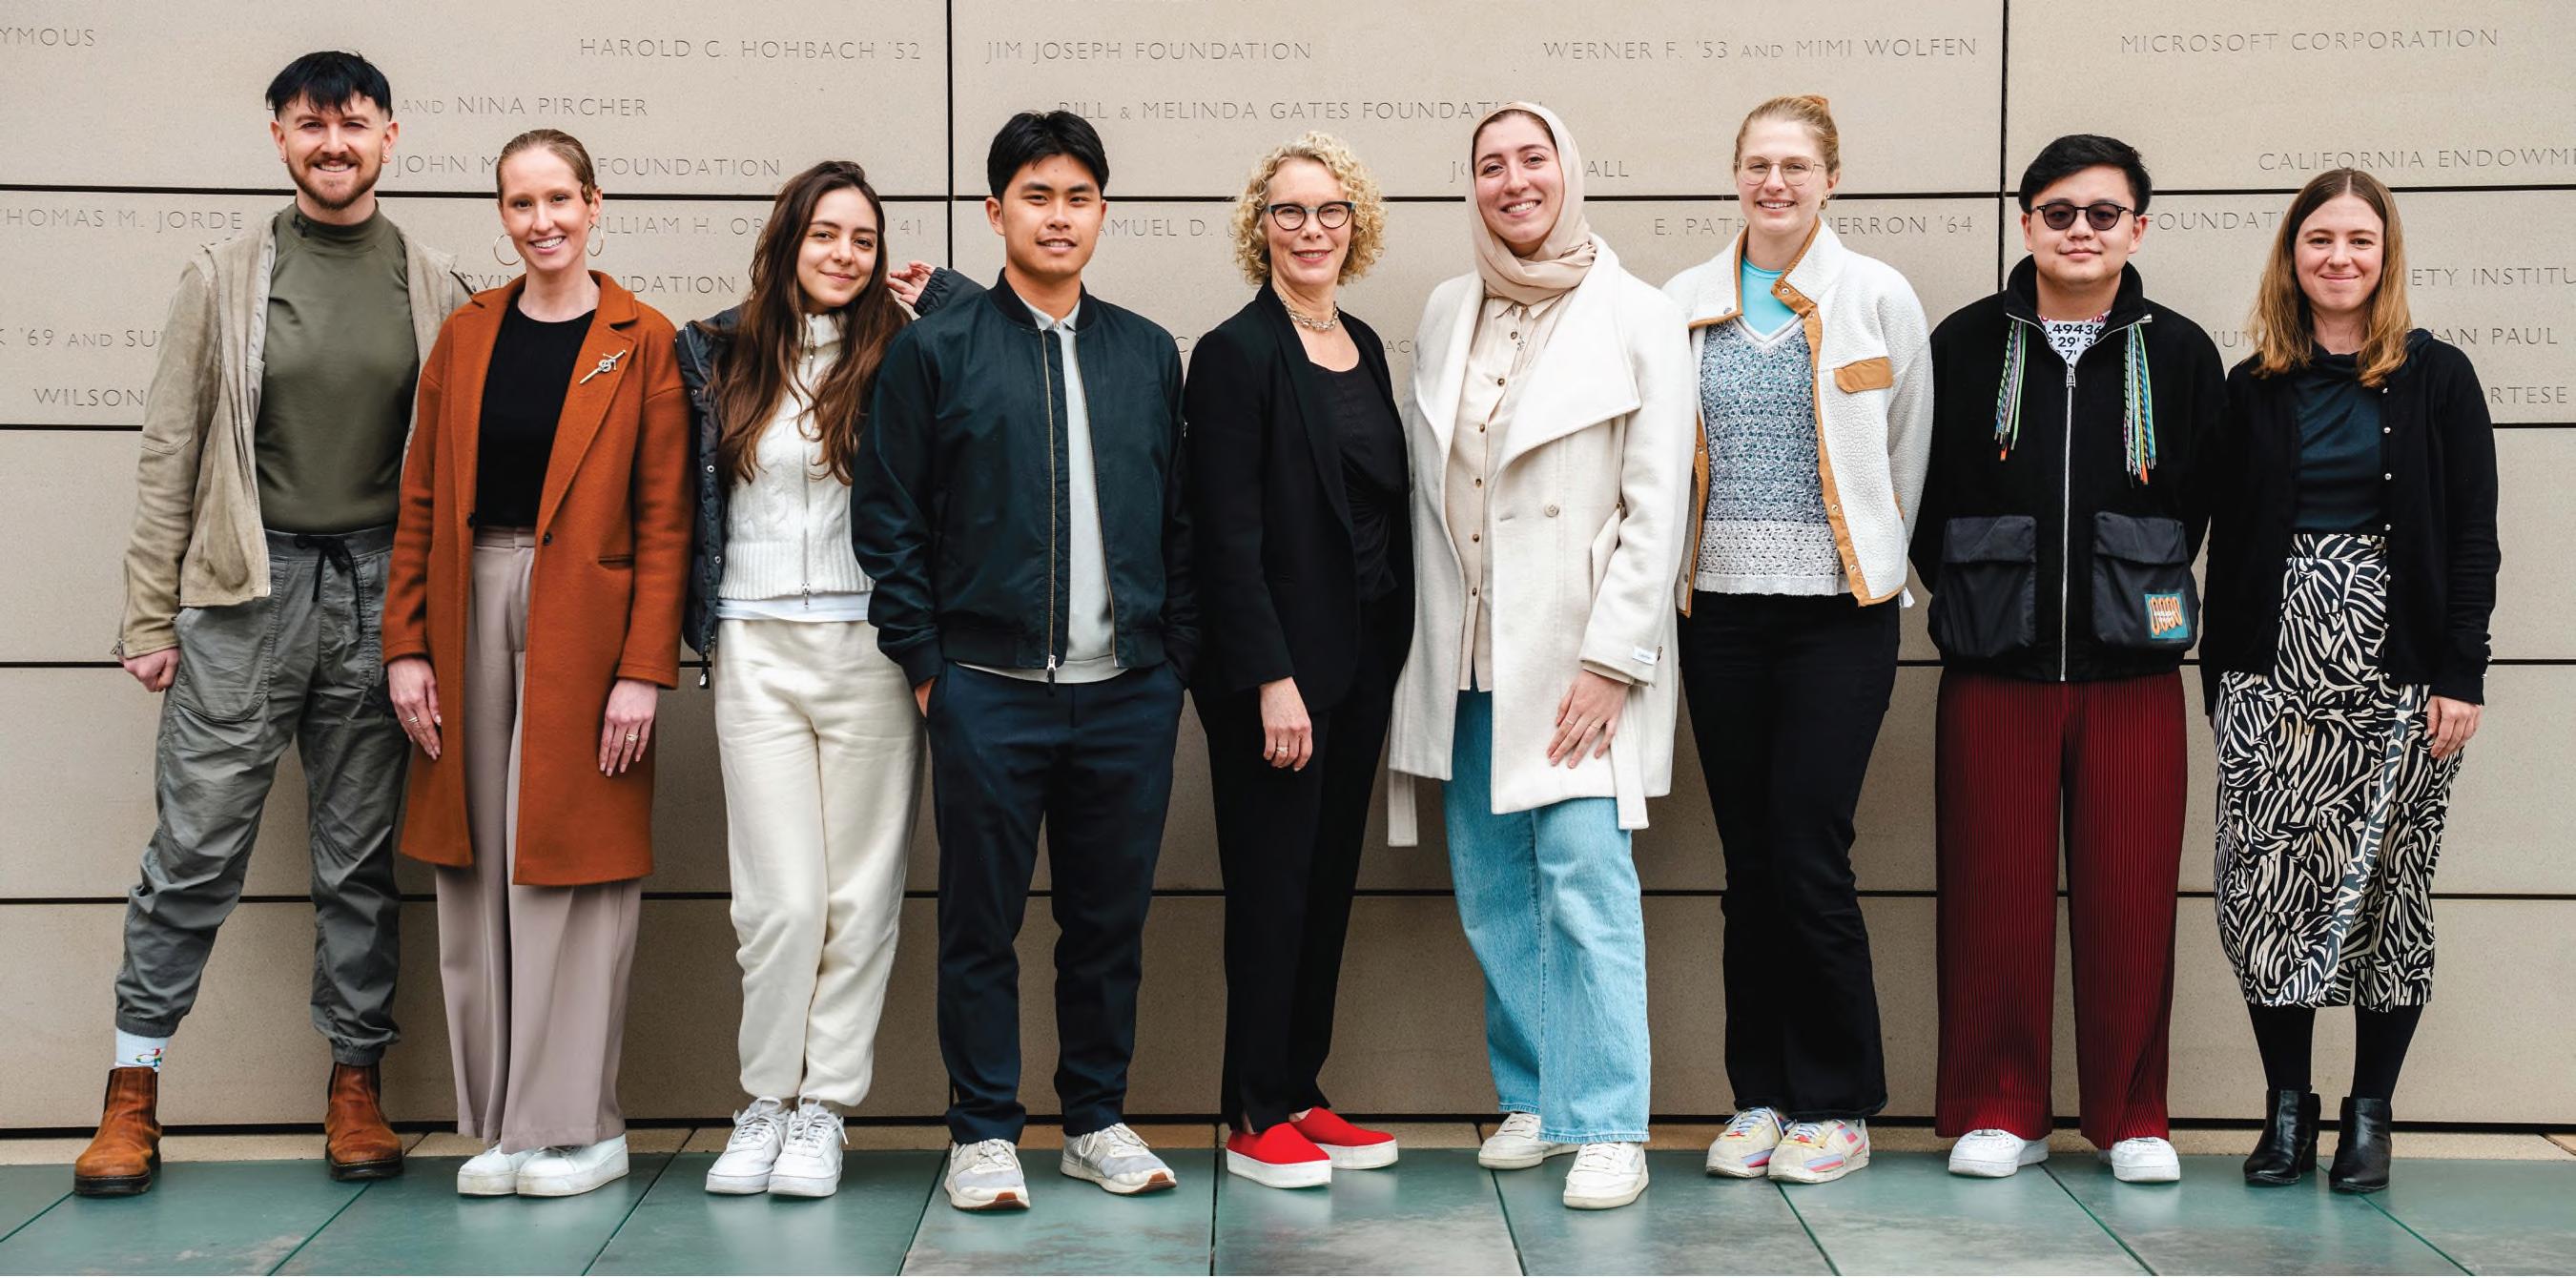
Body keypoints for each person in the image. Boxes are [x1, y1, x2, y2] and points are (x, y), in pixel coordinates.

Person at [78, 51, 471, 1198]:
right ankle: (131, 1091)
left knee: (357, 861)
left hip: (377, 599)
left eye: (354, 124)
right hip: (245, 598)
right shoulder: (224, 276)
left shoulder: (436, 283)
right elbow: (171, 448)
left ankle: (356, 1085)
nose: (332, 143)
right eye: (311, 124)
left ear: (390, 135)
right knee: (194, 850)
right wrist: (149, 614)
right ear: (280, 138)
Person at [854, 111, 1197, 1213]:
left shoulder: (1145, 351)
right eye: (1036, 196)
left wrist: (1172, 662)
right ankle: (983, 1130)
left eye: (1078, 197)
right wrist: (927, 665)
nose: (1059, 216)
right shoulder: (935, 350)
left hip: (1127, 694)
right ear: (995, 211)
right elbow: (889, 519)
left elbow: (1180, 519)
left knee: (1107, 924)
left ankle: (1093, 1117)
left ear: (1102, 213)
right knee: (979, 925)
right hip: (986, 691)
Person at [1387, 102, 1694, 1212]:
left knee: (1583, 881)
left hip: (1574, 653)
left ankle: (1607, 1121)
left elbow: (1656, 506)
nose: (1513, 180)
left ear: (1570, 170)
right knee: (1492, 888)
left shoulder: (1639, 312)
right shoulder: (1448, 306)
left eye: (1533, 159)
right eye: (1490, 165)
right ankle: (1533, 1093)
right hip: (1464, 647)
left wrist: (1614, 660)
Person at [381, 128, 690, 1200]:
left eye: (560, 198)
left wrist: (644, 667)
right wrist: (406, 646)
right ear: (503, 216)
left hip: (589, 627)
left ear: (594, 205)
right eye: (521, 203)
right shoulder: (466, 335)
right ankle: (504, 1124)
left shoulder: (642, 339)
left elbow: (667, 520)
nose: (542, 220)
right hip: (468, 604)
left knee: (573, 863)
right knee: (473, 862)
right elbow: (420, 500)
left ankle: (580, 1127)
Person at [1911, 134, 2224, 1185]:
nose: (2079, 231)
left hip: (2131, 674)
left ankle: (2132, 1114)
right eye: (2058, 212)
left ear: (2138, 227)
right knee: (1990, 896)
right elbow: (1922, 495)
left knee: (2130, 900)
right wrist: (1977, 595)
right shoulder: (1963, 344)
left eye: (2102, 213)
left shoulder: (2180, 353)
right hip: (1993, 670)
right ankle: (1998, 1107)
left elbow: (2199, 503)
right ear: (2025, 223)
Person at [2202, 169, 2497, 1194]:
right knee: (2266, 887)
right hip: (2269, 671)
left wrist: (2460, 672)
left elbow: (2472, 538)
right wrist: (2221, 681)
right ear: (2291, 256)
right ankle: (2286, 1108)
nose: (2338, 257)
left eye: (2359, 240)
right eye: (2318, 239)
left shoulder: (2438, 377)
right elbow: (2217, 532)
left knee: (2391, 890)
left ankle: (2369, 1114)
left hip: (2399, 672)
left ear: (2385, 255)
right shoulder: (2251, 385)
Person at [1659, 94, 1931, 1185]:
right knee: (1748, 863)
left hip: (1838, 618)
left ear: (1830, 179)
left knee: (1809, 852)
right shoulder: (1683, 301)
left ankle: (1834, 1103)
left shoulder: (1877, 294)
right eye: (1758, 164)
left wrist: (1873, 562)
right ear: (1735, 175)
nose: (1775, 183)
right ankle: (1759, 1096)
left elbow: (1906, 452)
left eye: (1796, 166)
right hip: (1720, 614)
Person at [677, 161, 931, 1199]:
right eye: (825, 233)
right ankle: (764, 1101)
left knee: (859, 897)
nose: (844, 254)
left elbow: (993, 340)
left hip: (870, 647)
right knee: (779, 902)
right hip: (755, 644)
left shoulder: (907, 351)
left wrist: (940, 295)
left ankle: (824, 1108)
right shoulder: (718, 352)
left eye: (863, 239)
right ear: (788, 242)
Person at [1186, 133, 1413, 1190]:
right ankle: (1251, 1110)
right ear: (1260, 228)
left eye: (1329, 211)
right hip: (1276, 678)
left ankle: (1299, 1086)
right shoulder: (1235, 353)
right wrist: (1270, 678)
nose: (1310, 229)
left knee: (1325, 885)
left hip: (1361, 664)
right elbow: (1222, 536)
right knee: (1272, 888)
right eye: (1288, 211)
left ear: (1352, 225)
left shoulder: (1360, 342)